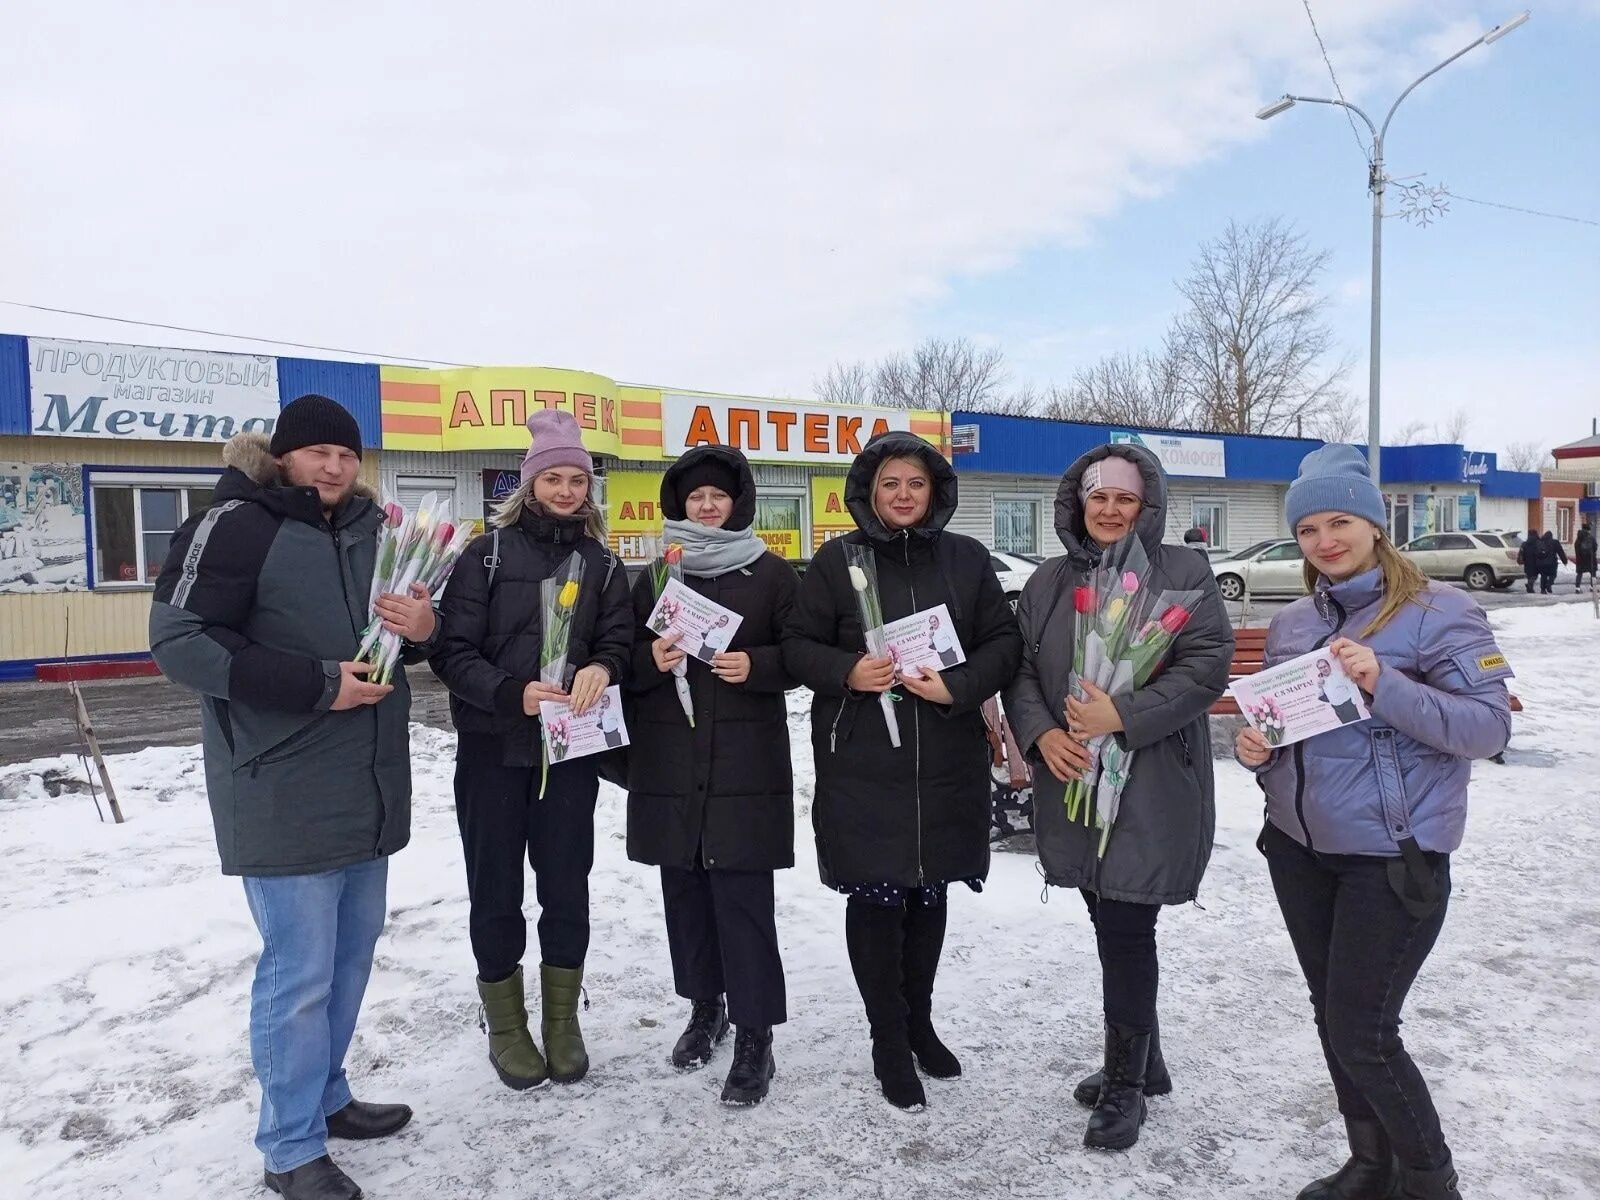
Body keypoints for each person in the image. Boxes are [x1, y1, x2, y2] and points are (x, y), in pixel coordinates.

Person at [150, 395, 436, 1200]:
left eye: (346, 454)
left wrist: (425, 627)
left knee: (348, 961)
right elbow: (180, 642)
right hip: (280, 781)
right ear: (284, 457)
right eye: (317, 453)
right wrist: (318, 687)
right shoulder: (237, 524)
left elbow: (398, 640)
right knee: (300, 973)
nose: (335, 466)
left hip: (367, 778)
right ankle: (288, 1148)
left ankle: (328, 1097)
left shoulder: (377, 529)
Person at [1237, 444, 1512, 1200]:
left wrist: (1382, 680)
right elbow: (1290, 736)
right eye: (1307, 530)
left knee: (1364, 1030)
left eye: (1340, 522)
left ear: (1375, 524)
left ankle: (1430, 1182)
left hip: (1392, 855)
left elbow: (1487, 733)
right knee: (1335, 1022)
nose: (1325, 541)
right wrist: (1256, 748)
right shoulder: (1295, 622)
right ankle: (1371, 1163)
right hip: (1299, 849)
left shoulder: (1440, 612)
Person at [783, 431, 1022, 1112]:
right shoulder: (838, 560)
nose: (903, 496)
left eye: (915, 484)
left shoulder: (967, 559)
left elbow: (1003, 642)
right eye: (890, 484)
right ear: (868, 492)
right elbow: (798, 646)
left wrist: (959, 687)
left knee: (928, 893)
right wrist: (848, 671)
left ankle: (919, 1022)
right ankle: (888, 1039)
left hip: (946, 753)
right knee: (879, 897)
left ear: (936, 491)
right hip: (863, 757)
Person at [1003, 444, 1232, 1152]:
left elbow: (1205, 665)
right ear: (1078, 504)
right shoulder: (1046, 582)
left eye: (1124, 500)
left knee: (1128, 923)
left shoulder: (1184, 572)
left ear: (1146, 506)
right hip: (1071, 772)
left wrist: (1122, 717)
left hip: (1152, 773)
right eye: (1098, 499)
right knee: (1107, 912)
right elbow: (1021, 672)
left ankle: (1125, 1082)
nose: (1109, 510)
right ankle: (1146, 1061)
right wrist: (1042, 736)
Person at [430, 409, 633, 1091]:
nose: (568, 490)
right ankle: (508, 1027)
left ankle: (561, 1023)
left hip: (569, 755)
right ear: (531, 483)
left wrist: (605, 666)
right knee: (495, 892)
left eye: (579, 479)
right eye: (555, 478)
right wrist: (509, 692)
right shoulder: (484, 554)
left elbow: (618, 640)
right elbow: (450, 652)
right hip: (492, 752)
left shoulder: (602, 564)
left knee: (566, 889)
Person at [624, 445, 800, 1106]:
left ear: (737, 504)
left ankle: (756, 1036)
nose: (706, 505)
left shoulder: (771, 575)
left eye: (717, 496)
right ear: (679, 504)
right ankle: (706, 1008)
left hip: (744, 764)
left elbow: (803, 653)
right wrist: (650, 658)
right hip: (672, 761)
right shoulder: (655, 575)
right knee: (686, 893)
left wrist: (759, 666)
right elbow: (621, 658)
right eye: (695, 496)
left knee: (743, 900)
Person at [1315, 655, 1365, 725]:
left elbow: (1351, 686)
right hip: (1337, 708)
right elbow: (1319, 696)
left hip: (1348, 705)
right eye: (1321, 668)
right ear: (1319, 670)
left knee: (1358, 724)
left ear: (1329, 666)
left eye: (1325, 666)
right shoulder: (1320, 680)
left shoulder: (1340, 674)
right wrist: (1320, 686)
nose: (1324, 669)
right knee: (1347, 726)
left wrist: (1353, 702)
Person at [1537, 530, 1567, 595]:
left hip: (1542, 563)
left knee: (1543, 576)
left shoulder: (1540, 542)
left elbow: (1537, 553)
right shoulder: (1555, 542)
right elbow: (1560, 552)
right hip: (1552, 563)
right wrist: (1564, 561)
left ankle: (1543, 589)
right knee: (1553, 575)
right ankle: (1549, 584)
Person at [1575, 522, 1597, 592]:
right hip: (1590, 558)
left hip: (1580, 559)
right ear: (1588, 530)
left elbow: (1576, 547)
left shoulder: (1578, 538)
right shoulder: (1591, 538)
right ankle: (1592, 587)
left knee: (1579, 573)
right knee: (1593, 572)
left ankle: (1577, 588)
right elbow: (1595, 547)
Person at [1518, 529, 1540, 593]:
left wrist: (1522, 559)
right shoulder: (1538, 542)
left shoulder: (1524, 543)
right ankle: (1530, 586)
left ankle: (1530, 589)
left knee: (1529, 575)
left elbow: (1521, 552)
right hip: (1535, 561)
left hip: (1527, 561)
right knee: (1535, 576)